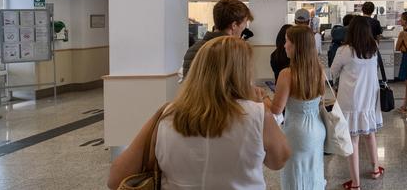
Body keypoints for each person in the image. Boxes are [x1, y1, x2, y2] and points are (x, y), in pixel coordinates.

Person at [107, 36, 291, 190]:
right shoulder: (258, 114)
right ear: (243, 74)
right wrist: (258, 104)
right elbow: (278, 161)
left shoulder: (167, 114)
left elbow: (115, 179)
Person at [266, 25, 327, 190]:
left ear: (296, 46)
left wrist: (263, 98)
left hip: (297, 132)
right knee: (314, 173)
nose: (284, 45)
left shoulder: (287, 74)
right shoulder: (319, 70)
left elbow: (276, 109)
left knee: (295, 176)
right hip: (318, 129)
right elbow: (321, 98)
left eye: (287, 42)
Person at [330, 16, 384, 190]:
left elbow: (333, 71)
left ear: (350, 30)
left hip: (350, 100)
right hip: (369, 99)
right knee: (370, 134)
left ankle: (355, 184)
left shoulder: (344, 50)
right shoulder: (374, 47)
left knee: (352, 140)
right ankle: (375, 169)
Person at [182, 0, 253, 79]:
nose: (245, 27)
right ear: (234, 25)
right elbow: (236, 87)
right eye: (245, 22)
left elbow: (188, 85)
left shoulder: (193, 49)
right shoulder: (235, 51)